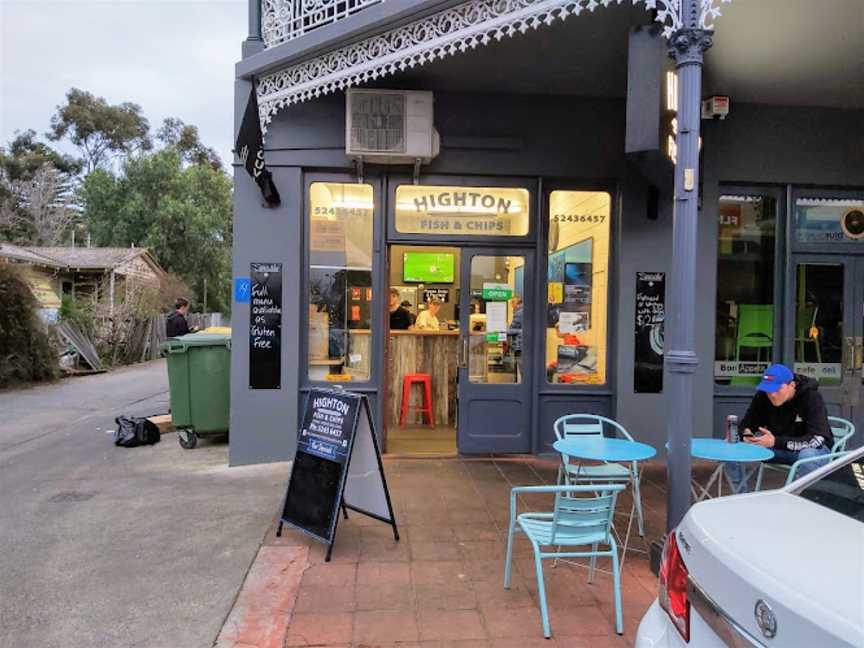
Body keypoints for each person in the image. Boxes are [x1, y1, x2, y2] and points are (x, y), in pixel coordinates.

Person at [726, 363, 834, 493]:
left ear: (791, 385)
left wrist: (775, 441)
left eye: (777, 390)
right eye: (768, 390)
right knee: (732, 446)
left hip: (812, 452)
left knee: (808, 455)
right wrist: (746, 435)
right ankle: (739, 496)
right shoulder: (763, 396)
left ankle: (794, 500)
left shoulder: (811, 397)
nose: (772, 394)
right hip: (776, 449)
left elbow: (817, 439)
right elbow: (747, 424)